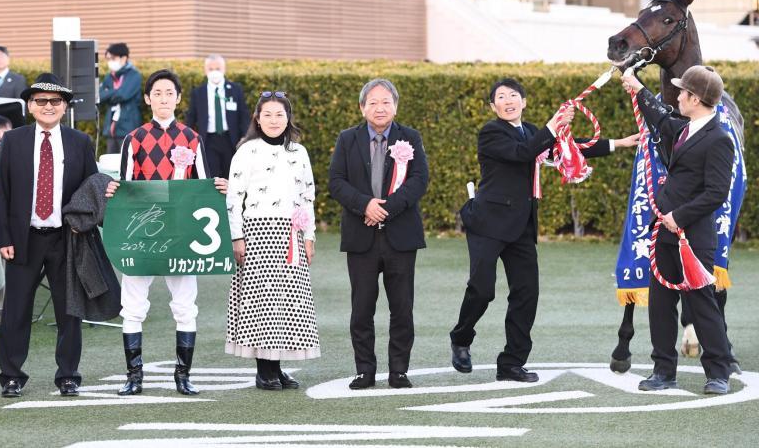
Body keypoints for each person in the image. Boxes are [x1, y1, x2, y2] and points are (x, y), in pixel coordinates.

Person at [450, 78, 636, 382]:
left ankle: (511, 363)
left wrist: (619, 143)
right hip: (488, 223)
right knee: (482, 290)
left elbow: (567, 151)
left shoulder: (533, 132)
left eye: (514, 95)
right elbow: (523, 152)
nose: (508, 100)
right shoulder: (490, 133)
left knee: (526, 294)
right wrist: (552, 126)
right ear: (492, 106)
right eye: (501, 97)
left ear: (524, 102)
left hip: (522, 226)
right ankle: (461, 338)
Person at [0, 73, 111, 398]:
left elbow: (91, 187)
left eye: (55, 101)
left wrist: (85, 219)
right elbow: (2, 193)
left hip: (66, 238)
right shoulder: (13, 141)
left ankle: (69, 375)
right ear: (30, 105)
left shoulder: (79, 142)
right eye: (41, 101)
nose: (48, 106)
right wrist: (4, 237)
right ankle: (11, 376)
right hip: (22, 238)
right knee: (16, 310)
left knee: (68, 310)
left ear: (65, 107)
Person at [621, 65, 735, 395]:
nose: (677, 96)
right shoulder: (685, 128)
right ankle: (663, 370)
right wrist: (635, 85)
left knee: (701, 304)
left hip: (692, 237)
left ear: (695, 99)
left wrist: (679, 216)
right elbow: (660, 119)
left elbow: (716, 192)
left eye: (682, 92)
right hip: (666, 232)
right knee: (660, 303)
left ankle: (718, 373)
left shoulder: (719, 139)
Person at [115, 69, 227, 397]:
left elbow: (203, 186)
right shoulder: (133, 138)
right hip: (143, 234)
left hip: (181, 235)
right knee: (133, 305)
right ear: (148, 99)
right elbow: (124, 187)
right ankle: (134, 377)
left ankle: (183, 376)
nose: (164, 99)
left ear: (178, 98)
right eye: (158, 93)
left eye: (169, 93)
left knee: (185, 305)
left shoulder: (192, 138)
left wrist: (220, 187)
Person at [328, 79, 429, 390]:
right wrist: (365, 205)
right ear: (362, 107)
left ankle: (399, 370)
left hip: (400, 236)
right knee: (362, 309)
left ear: (395, 106)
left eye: (386, 101)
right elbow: (336, 181)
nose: (380, 107)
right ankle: (364, 371)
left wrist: (386, 209)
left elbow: (419, 180)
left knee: (402, 307)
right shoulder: (348, 139)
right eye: (373, 102)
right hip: (361, 237)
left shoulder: (410, 137)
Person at [224, 91, 319, 390]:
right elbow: (233, 197)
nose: (274, 120)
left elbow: (307, 196)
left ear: (288, 118)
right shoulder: (246, 151)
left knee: (285, 301)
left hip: (290, 234)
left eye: (280, 114)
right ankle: (264, 370)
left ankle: (276, 367)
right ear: (257, 118)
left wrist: (309, 235)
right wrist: (236, 236)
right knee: (262, 302)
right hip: (257, 233)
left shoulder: (298, 152)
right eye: (268, 114)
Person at [185, 54, 250, 178]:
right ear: (205, 71)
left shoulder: (235, 90)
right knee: (211, 174)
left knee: (231, 173)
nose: (215, 72)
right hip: (208, 140)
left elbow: (243, 115)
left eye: (218, 68)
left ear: (224, 70)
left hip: (230, 139)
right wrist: (187, 139)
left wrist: (245, 137)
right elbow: (191, 117)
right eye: (211, 69)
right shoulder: (199, 92)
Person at [98, 43, 142, 154]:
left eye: (113, 58)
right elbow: (100, 96)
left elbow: (124, 94)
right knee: (111, 164)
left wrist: (109, 93)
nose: (110, 62)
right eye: (108, 59)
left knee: (127, 162)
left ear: (124, 58)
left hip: (128, 128)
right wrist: (115, 92)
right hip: (111, 129)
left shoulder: (134, 75)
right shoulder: (109, 77)